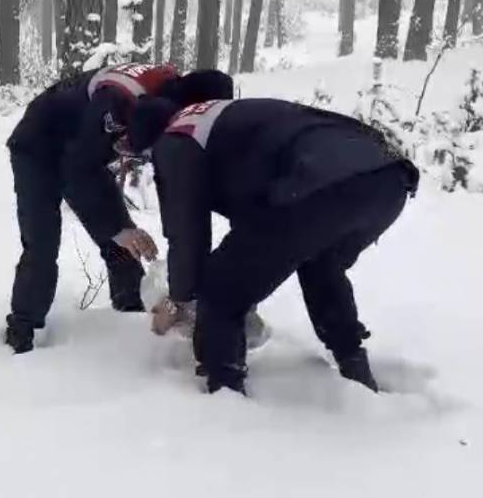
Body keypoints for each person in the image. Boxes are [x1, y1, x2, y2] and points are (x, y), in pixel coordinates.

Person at [124, 96, 419, 394]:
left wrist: (178, 299)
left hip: (317, 182)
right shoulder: (214, 119)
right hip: (388, 178)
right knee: (321, 264)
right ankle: (354, 366)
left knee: (220, 286)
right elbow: (254, 221)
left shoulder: (176, 138)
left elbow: (186, 232)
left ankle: (223, 392)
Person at [3, 63, 235, 353]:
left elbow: (167, 174)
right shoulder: (118, 99)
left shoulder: (168, 95)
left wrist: (133, 231)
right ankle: (22, 332)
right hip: (37, 145)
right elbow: (76, 171)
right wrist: (117, 229)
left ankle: (130, 312)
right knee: (43, 243)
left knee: (125, 241)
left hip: (83, 151)